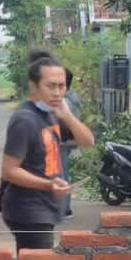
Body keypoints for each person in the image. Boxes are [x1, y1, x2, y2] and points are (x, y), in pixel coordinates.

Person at [0, 51, 95, 250]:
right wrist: (48, 185)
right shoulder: (25, 120)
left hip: (45, 208)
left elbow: (88, 142)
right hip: (28, 210)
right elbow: (9, 171)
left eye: (62, 86)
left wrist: (68, 116)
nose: (58, 93)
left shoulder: (52, 114)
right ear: (33, 87)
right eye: (51, 86)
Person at [61, 68, 82, 219]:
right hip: (68, 140)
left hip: (60, 140)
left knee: (60, 174)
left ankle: (63, 208)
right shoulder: (73, 97)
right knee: (63, 172)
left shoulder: (64, 100)